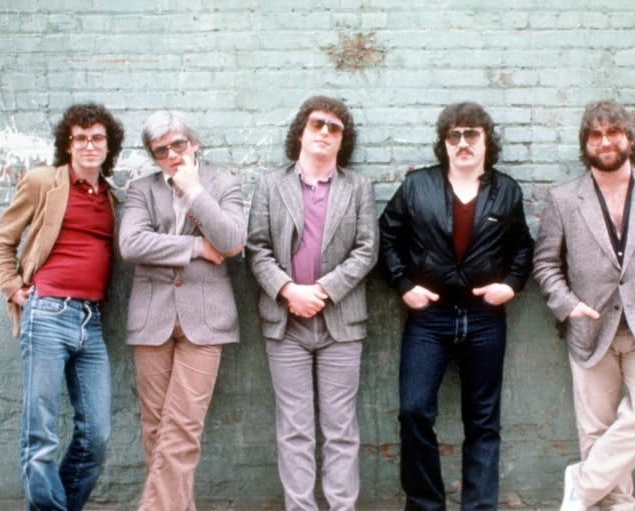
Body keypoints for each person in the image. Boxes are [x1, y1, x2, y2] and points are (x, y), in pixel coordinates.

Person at [532, 100, 635, 511]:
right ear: (586, 144)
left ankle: (582, 485)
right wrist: (569, 305)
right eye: (595, 135)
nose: (605, 142)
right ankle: (618, 506)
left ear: (629, 138)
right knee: (596, 430)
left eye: (613, 133)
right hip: (590, 331)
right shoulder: (564, 198)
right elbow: (545, 262)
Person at [378, 101, 534, 511]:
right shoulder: (417, 187)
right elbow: (387, 239)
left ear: (486, 141)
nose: (463, 143)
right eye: (454, 135)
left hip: (485, 318)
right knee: (414, 412)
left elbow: (522, 248)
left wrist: (511, 286)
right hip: (429, 317)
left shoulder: (506, 190)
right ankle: (426, 504)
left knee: (482, 421)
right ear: (444, 142)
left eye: (472, 135)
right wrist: (403, 284)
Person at [0, 103, 124, 510]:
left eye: (97, 138)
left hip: (91, 321)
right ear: (68, 144)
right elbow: (2, 241)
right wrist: (13, 287)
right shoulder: (42, 182)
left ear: (108, 145)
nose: (88, 144)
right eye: (79, 138)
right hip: (47, 314)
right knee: (40, 435)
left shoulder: (113, 197)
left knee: (96, 436)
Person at [246, 96, 378, 511]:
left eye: (334, 128)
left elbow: (366, 249)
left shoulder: (358, 188)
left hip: (341, 323)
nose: (324, 132)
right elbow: (257, 249)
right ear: (301, 131)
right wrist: (289, 292)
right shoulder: (271, 185)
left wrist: (321, 291)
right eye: (317, 124)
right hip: (286, 324)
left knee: (340, 429)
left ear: (343, 141)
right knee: (295, 429)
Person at [118, 111, 246, 511]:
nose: (172, 155)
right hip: (151, 319)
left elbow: (231, 242)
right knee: (156, 430)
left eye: (178, 145)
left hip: (205, 322)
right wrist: (193, 248)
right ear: (153, 157)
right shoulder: (141, 190)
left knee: (183, 427)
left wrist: (193, 192)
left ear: (193, 144)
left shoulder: (223, 186)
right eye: (162, 150)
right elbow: (132, 245)